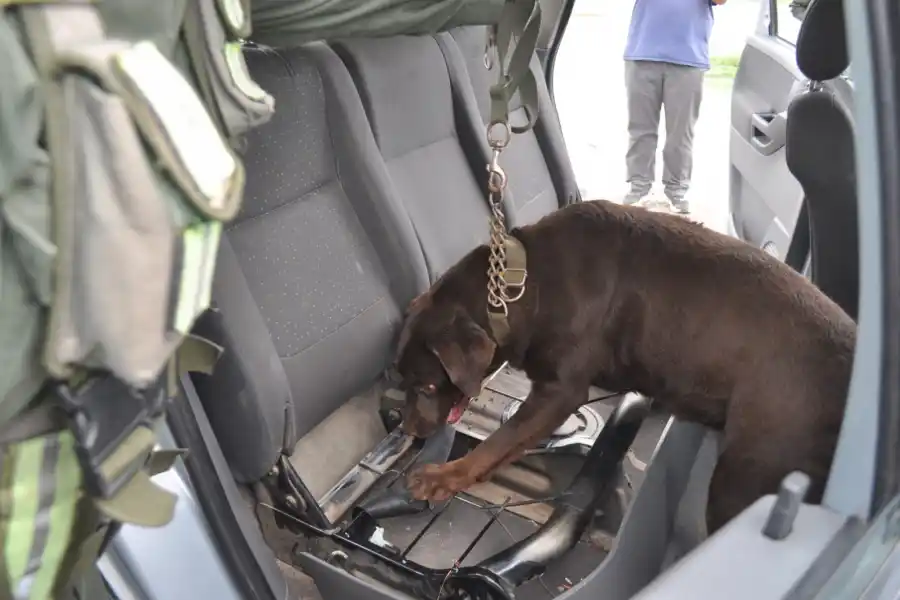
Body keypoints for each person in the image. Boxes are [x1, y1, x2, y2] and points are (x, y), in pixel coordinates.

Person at [623, 0, 727, 214]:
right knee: (640, 129)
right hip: (642, 53)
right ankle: (639, 187)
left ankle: (676, 190)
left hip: (688, 59)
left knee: (680, 133)